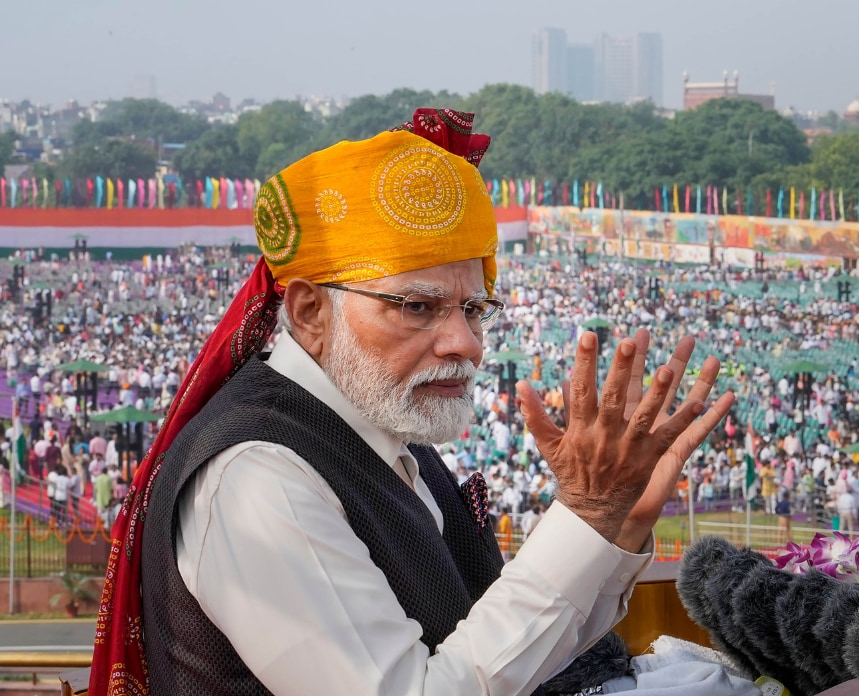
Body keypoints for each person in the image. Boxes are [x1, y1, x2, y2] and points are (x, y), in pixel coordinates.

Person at [90, 110, 734, 696]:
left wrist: (605, 529)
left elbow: (507, 655)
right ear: (311, 312)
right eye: (417, 307)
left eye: (474, 309)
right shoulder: (259, 476)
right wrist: (583, 512)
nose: (464, 344)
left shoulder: (385, 425)